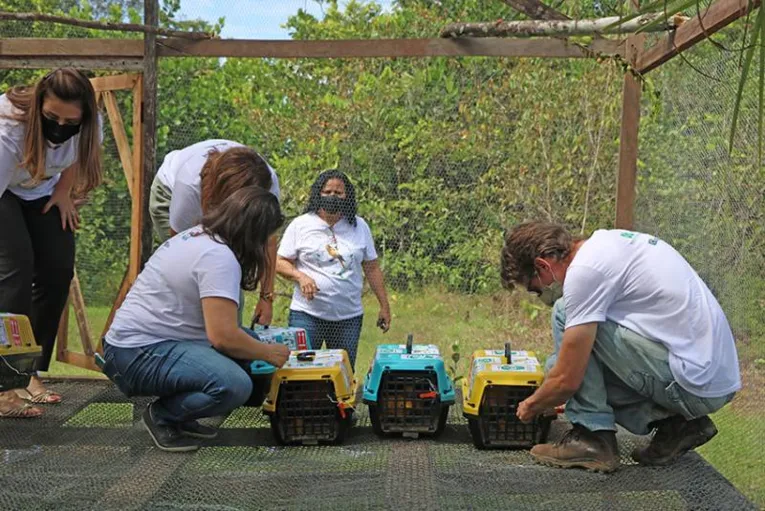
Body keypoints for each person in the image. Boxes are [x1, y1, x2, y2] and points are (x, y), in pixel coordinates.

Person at [500, 222, 741, 472]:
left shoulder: (585, 272)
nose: (540, 295)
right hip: (710, 378)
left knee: (563, 316)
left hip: (693, 382)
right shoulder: (608, 245)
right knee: (559, 364)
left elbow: (566, 380)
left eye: (534, 288)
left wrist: (531, 406)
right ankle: (678, 427)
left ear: (542, 265)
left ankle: (592, 439)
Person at [102, 187, 289, 452]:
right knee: (235, 384)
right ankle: (162, 416)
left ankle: (182, 415)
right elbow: (222, 337)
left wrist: (255, 348)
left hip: (136, 345)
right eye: (267, 238)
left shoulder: (200, 236)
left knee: (250, 345)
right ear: (253, 233)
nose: (268, 245)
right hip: (135, 354)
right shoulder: (219, 258)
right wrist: (269, 353)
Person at [0, 68, 103, 417]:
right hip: (3, 191)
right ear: (38, 105)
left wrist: (62, 192)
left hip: (39, 189)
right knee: (15, 268)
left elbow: (76, 153)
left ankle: (29, 371)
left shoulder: (90, 123)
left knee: (58, 267)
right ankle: (5, 385)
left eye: (69, 121)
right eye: (51, 118)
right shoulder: (9, 129)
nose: (60, 126)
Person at [149, 139, 281, 324]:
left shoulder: (268, 183)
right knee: (204, 269)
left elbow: (268, 240)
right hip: (169, 191)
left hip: (220, 193)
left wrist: (266, 299)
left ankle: (229, 331)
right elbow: (181, 249)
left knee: (227, 269)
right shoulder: (189, 185)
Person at [276, 169, 391, 368]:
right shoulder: (300, 225)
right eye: (327, 192)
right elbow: (279, 261)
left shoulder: (360, 226)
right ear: (318, 194)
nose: (332, 196)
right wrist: (300, 277)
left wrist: (384, 306)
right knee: (300, 371)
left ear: (347, 196)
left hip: (347, 317)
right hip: (307, 315)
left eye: (338, 193)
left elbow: (371, 267)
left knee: (342, 373)